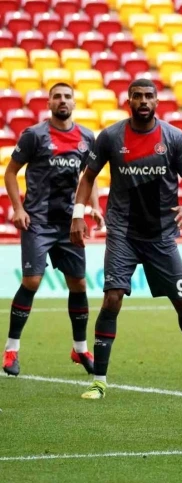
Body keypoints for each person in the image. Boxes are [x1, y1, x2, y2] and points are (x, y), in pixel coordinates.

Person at [70, 79, 182, 399]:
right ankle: (99, 380)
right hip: (123, 233)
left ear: (157, 101)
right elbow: (88, 176)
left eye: (149, 96)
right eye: (138, 96)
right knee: (112, 298)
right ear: (129, 101)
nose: (143, 100)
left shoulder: (173, 137)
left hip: (162, 235)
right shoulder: (111, 136)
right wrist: (78, 213)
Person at [2, 82, 101, 376]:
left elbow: (89, 176)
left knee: (79, 285)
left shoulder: (86, 137)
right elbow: (10, 172)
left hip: (69, 222)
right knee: (32, 281)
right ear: (48, 103)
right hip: (38, 221)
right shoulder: (34, 135)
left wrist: (91, 206)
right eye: (57, 96)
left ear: (74, 102)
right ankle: (11, 350)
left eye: (67, 96)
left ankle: (80, 349)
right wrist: (18, 208)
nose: (62, 100)